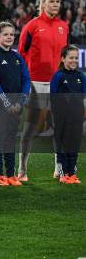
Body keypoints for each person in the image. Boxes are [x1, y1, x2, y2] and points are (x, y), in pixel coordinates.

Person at [18, 0, 68, 181]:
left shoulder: (63, 26)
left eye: (58, 1)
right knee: (30, 128)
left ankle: (60, 169)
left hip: (56, 84)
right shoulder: (31, 26)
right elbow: (22, 54)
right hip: (35, 83)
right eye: (52, 1)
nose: (55, 4)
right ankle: (22, 171)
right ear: (43, 3)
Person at [0, 22, 31, 187]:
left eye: (12, 34)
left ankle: (11, 174)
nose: (9, 37)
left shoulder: (18, 57)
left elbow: (26, 80)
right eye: (5, 34)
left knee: (11, 139)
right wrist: (6, 102)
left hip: (16, 106)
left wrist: (20, 102)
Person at [49, 44, 85, 184]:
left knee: (74, 146)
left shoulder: (81, 76)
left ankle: (72, 174)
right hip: (61, 117)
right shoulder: (58, 76)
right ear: (63, 59)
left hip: (77, 117)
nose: (74, 60)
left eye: (76, 58)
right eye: (71, 58)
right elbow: (53, 97)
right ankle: (63, 174)